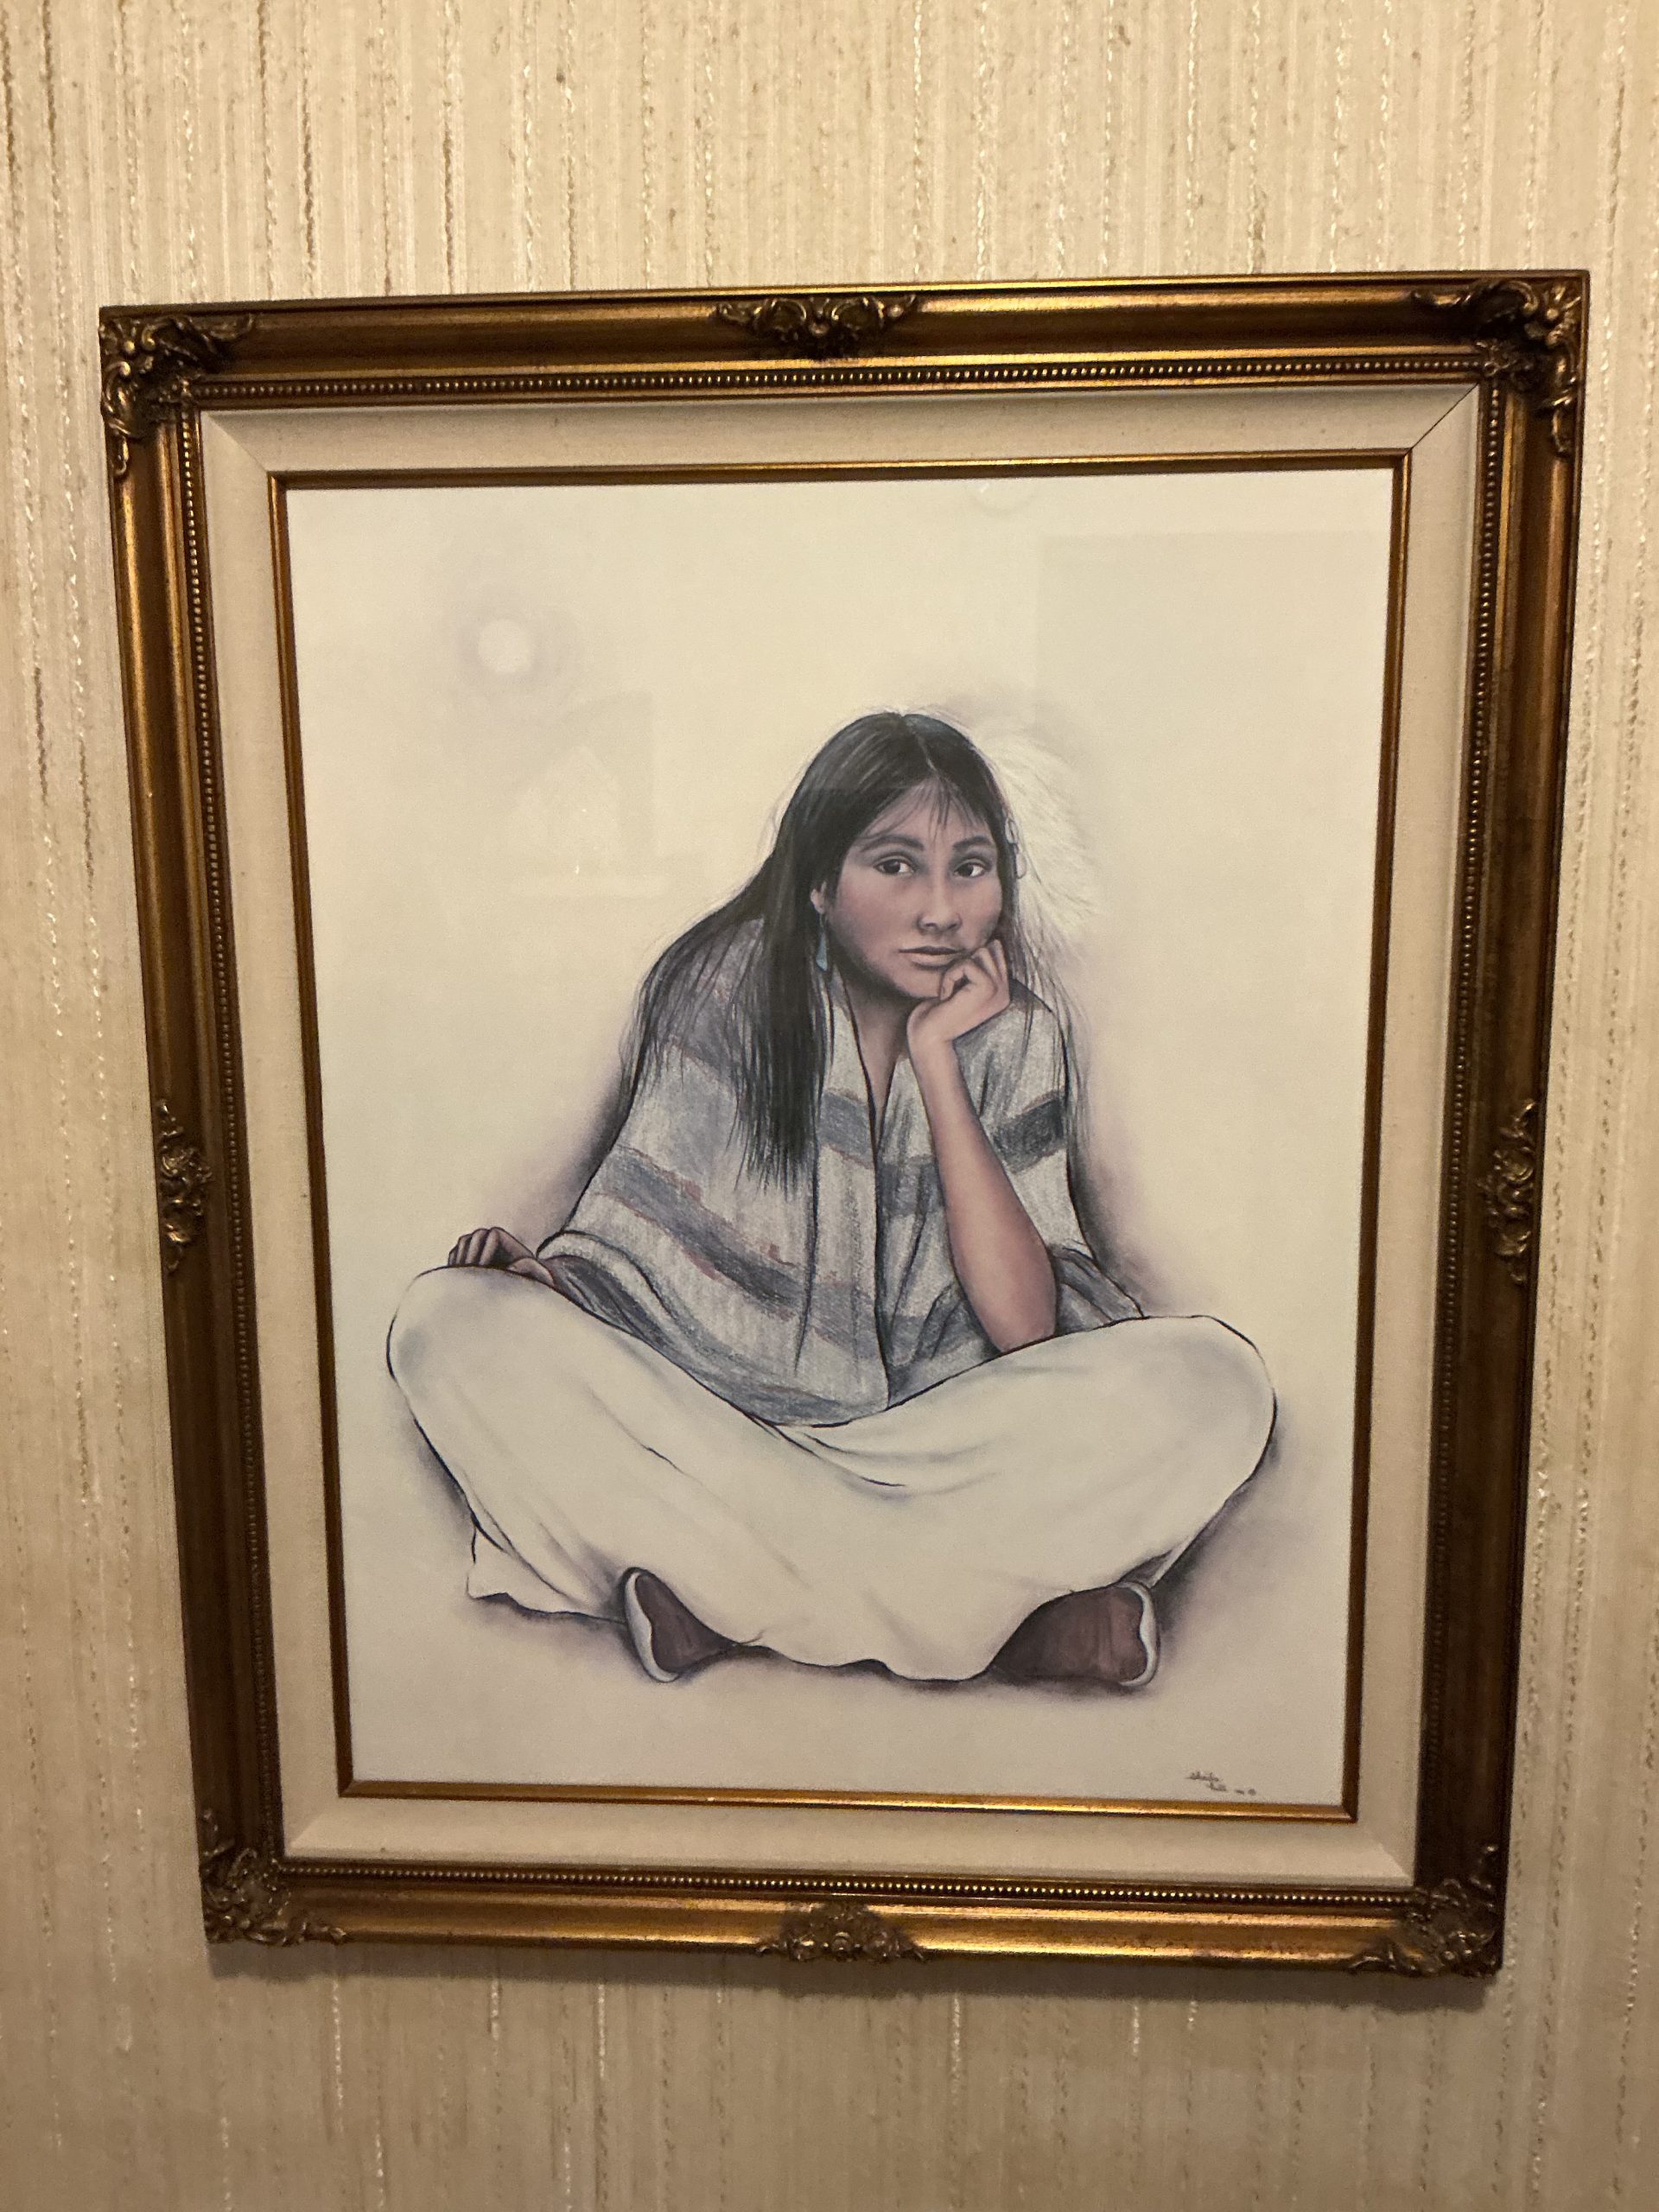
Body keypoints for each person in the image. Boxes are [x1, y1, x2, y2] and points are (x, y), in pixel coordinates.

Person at [389, 711, 1274, 1690]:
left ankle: (736, 1598)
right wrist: (552, 1290)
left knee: (1215, 1384)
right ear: (818, 881)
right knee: (448, 1326)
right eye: (896, 866)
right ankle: (995, 1625)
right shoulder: (723, 986)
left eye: (971, 868)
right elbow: (643, 1258)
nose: (941, 910)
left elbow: (1028, 1327)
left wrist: (939, 1066)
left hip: (939, 1451)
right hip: (726, 1433)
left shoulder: (1017, 1032)